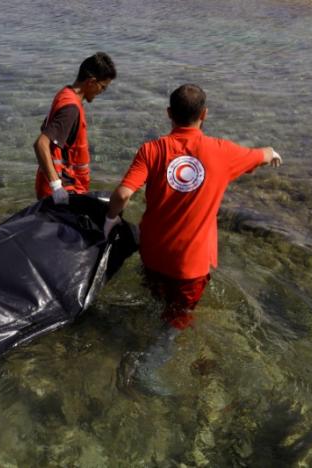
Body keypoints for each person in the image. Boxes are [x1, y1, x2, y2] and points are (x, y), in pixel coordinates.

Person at [104, 84, 282, 392]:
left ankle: (138, 327)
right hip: (190, 264)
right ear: (204, 115)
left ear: (169, 114)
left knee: (153, 293)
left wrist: (109, 221)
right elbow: (261, 155)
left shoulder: (152, 149)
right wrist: (272, 153)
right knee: (177, 318)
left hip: (153, 251)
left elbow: (122, 193)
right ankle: (149, 366)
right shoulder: (223, 151)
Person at [34, 52, 117, 204]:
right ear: (91, 82)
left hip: (60, 188)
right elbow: (41, 144)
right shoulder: (71, 109)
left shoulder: (65, 94)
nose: (101, 92)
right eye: (102, 87)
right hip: (63, 192)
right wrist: (56, 187)